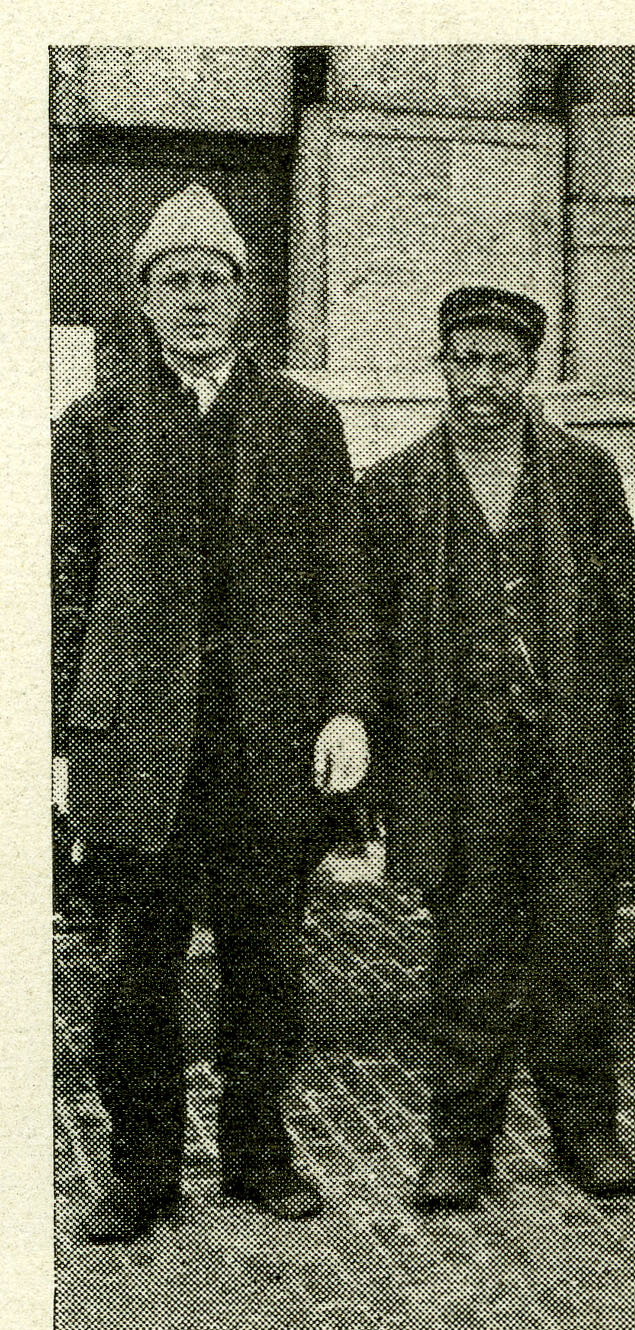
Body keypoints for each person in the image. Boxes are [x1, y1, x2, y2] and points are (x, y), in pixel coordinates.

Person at [54, 184, 378, 1241]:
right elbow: (63, 589)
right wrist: (59, 740)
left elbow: (343, 580)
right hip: (140, 749)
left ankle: (257, 1152)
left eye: (214, 281)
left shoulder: (303, 419)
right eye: (174, 281)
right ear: (143, 302)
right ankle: (142, 1171)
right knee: (135, 978)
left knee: (265, 967)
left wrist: (347, 710)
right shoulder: (94, 424)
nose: (195, 300)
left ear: (246, 299)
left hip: (265, 748)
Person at [363, 288, 635, 1211]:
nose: (483, 382)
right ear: (441, 366)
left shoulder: (585, 476)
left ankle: (586, 1130)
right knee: (470, 955)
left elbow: (627, 616)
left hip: (573, 755)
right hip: (458, 763)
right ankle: (459, 1140)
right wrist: (372, 761)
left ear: (532, 372)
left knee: (577, 949)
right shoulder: (393, 490)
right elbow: (363, 636)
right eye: (466, 362)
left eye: (505, 364)